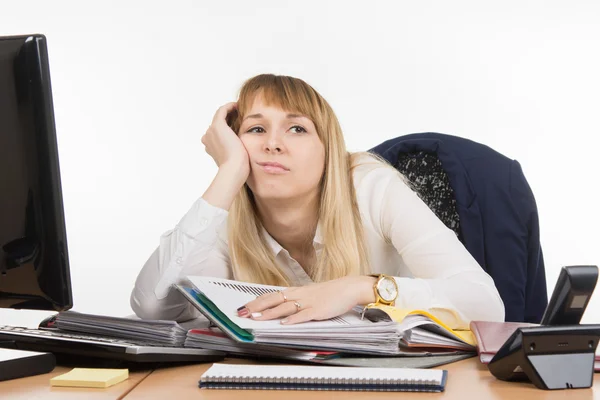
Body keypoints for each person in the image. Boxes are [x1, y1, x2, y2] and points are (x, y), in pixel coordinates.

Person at [130, 74, 504, 329]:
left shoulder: (372, 189)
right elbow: (153, 307)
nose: (273, 143)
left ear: (330, 151)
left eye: (297, 129)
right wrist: (229, 172)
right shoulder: (228, 219)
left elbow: (485, 303)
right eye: (256, 129)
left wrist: (362, 288)